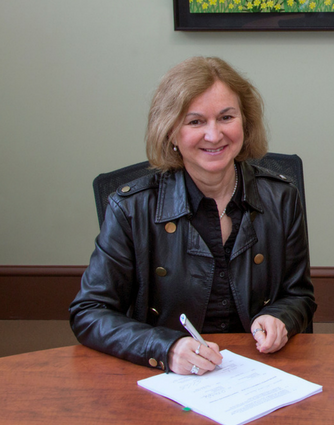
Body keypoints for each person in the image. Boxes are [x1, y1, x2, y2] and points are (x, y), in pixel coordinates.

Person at [70, 57, 316, 375]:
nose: (213, 136)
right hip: (169, 375)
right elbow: (89, 312)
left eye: (226, 117)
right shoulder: (131, 208)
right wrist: (166, 348)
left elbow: (298, 295)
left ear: (245, 123)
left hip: (258, 370)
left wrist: (280, 318)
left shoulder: (281, 197)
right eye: (195, 122)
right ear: (170, 131)